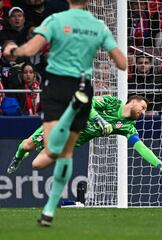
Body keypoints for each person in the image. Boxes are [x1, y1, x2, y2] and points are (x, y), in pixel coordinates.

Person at [3, 0, 127, 226]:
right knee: (66, 153)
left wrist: (13, 50)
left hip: (58, 86)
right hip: (83, 87)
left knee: (52, 150)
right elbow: (122, 63)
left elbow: (29, 50)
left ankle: (69, 112)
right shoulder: (99, 25)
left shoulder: (55, 20)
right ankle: (49, 209)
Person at [7, 95, 162, 176]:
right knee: (26, 146)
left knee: (37, 165)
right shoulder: (111, 102)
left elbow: (141, 147)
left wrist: (160, 165)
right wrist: (99, 120)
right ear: (132, 102)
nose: (143, 112)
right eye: (143, 107)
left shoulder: (128, 127)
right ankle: (18, 157)